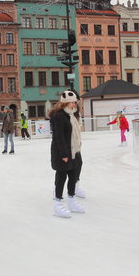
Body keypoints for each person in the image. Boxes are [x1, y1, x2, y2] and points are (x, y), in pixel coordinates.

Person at [49, 90, 86, 218]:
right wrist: (64, 154)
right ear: (66, 103)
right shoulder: (58, 116)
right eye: (73, 102)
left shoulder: (72, 115)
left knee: (73, 175)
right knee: (61, 176)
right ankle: (57, 204)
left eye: (75, 102)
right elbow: (58, 137)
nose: (75, 104)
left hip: (74, 150)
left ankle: (71, 201)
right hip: (62, 152)